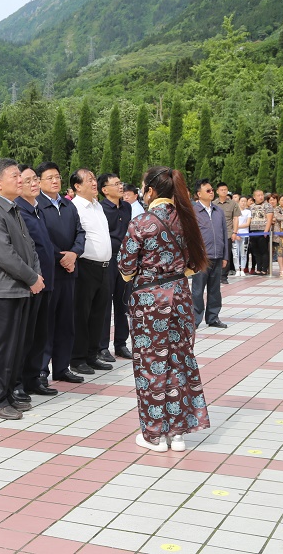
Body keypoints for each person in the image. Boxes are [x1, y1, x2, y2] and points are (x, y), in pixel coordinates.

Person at [118, 166, 211, 452]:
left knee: (151, 364)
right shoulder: (187, 220)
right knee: (179, 361)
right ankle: (178, 433)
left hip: (149, 302)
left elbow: (125, 267)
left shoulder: (141, 222)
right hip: (181, 298)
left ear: (151, 191)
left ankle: (153, 434)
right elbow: (196, 264)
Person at [0, 159, 44, 421]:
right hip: (0, 290)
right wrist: (31, 277)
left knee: (15, 348)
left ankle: (7, 395)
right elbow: (4, 254)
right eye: (15, 176)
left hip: (18, 288)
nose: (21, 180)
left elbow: (30, 247)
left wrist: (35, 274)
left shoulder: (11, 209)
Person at [35, 162, 85, 384]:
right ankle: (42, 369)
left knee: (67, 322)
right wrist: (61, 258)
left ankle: (62, 367)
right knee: (47, 323)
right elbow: (41, 238)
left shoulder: (68, 205)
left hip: (70, 271)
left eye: (57, 177)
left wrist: (74, 254)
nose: (55, 181)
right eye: (49, 178)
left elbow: (80, 232)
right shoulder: (37, 206)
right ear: (39, 182)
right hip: (50, 272)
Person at [14, 166, 57, 398]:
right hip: (30, 282)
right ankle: (18, 381)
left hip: (46, 282)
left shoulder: (36, 209)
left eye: (35, 180)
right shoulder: (18, 211)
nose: (34, 184)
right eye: (28, 180)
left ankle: (33, 378)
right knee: (26, 335)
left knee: (41, 334)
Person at [70, 168, 113, 375]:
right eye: (89, 180)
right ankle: (77, 358)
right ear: (77, 186)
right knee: (82, 314)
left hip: (104, 267)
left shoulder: (98, 206)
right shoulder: (75, 207)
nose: (94, 183)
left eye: (95, 178)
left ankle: (92, 354)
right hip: (85, 267)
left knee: (99, 314)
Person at [98, 173, 133, 362]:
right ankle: (102, 346)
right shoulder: (101, 209)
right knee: (104, 304)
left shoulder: (126, 207)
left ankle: (121, 344)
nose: (121, 187)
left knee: (123, 302)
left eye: (121, 183)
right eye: (116, 184)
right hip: (107, 259)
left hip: (124, 260)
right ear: (104, 190)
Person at [191, 179, 229, 329]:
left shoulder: (218, 211)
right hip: (201, 258)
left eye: (212, 190)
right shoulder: (193, 212)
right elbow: (190, 237)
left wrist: (225, 255)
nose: (212, 192)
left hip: (217, 256)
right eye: (208, 190)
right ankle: (195, 319)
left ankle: (213, 317)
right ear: (199, 194)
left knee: (215, 290)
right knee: (197, 290)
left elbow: (224, 233)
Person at [214, 182, 240, 284]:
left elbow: (236, 218)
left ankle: (224, 277)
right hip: (216, 233)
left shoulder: (233, 203)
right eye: (221, 190)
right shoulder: (214, 204)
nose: (224, 191)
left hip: (228, 233)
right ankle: (216, 275)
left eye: (225, 190)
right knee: (216, 254)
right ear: (217, 191)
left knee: (226, 255)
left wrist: (235, 232)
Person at [248, 189, 273, 275]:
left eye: (262, 195)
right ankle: (258, 268)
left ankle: (264, 269)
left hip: (262, 230)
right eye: (258, 195)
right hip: (253, 231)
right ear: (254, 197)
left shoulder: (267, 206)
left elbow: (269, 219)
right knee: (256, 251)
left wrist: (266, 231)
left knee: (264, 251)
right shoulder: (251, 207)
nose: (260, 197)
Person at [235, 197, 251, 276]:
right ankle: (237, 269)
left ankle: (242, 269)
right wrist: (235, 230)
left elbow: (247, 224)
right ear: (239, 202)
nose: (243, 203)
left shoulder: (248, 212)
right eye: (242, 201)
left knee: (243, 253)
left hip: (245, 234)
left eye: (245, 201)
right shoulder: (235, 211)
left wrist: (237, 226)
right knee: (235, 253)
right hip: (235, 234)